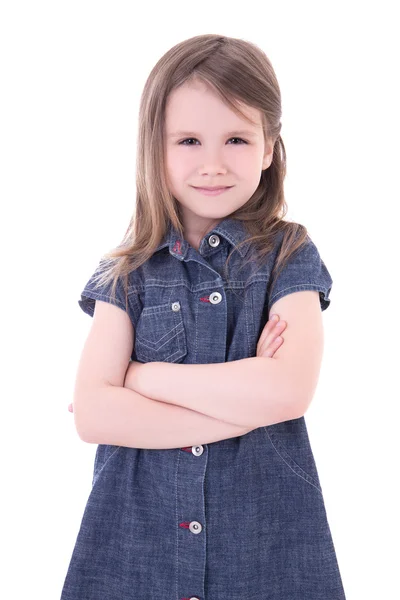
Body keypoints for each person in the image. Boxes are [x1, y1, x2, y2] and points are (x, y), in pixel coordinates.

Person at [60, 34, 346, 600]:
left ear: (268, 148)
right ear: (156, 149)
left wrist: (145, 379)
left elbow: (287, 391)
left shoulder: (289, 255)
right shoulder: (126, 272)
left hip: (267, 550)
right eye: (189, 140)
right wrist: (243, 408)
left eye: (236, 139)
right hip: (134, 548)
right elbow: (93, 413)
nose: (212, 164)